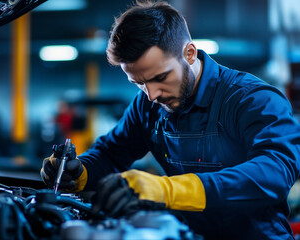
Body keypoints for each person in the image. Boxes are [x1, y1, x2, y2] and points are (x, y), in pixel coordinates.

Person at [40, 1, 300, 239]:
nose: (152, 95)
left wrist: (169, 190)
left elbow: (275, 171)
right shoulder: (147, 105)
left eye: (160, 77)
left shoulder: (252, 99)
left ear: (189, 53)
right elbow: (111, 153)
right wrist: (79, 172)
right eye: (139, 83)